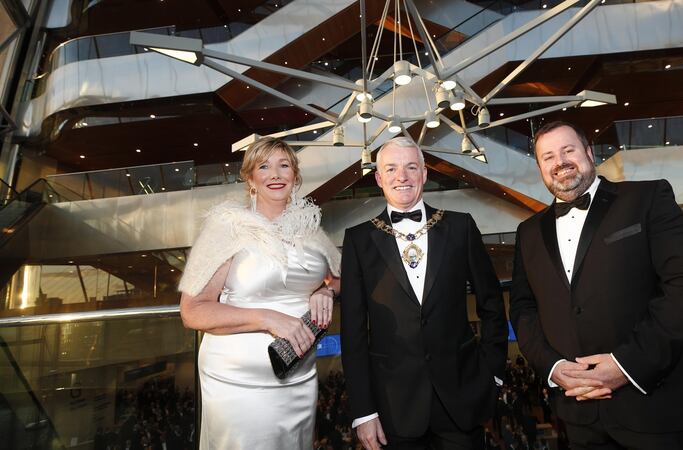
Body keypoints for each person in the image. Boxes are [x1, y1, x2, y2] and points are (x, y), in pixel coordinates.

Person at [509, 121, 683, 449]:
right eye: (548, 156)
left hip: (659, 410)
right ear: (540, 168)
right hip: (579, 417)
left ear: (589, 153)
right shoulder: (528, 232)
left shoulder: (647, 198)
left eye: (569, 150)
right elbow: (524, 309)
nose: (560, 161)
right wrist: (552, 366)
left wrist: (627, 365)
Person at [340, 136, 508, 449]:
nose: (401, 176)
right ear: (378, 178)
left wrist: (493, 373)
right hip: (394, 408)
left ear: (424, 174)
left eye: (410, 167)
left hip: (462, 398)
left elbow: (492, 302)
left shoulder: (461, 227)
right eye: (390, 169)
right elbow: (352, 333)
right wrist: (363, 412)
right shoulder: (358, 240)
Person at [178, 137, 341, 449]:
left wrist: (327, 292)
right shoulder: (227, 228)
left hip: (300, 375)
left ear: (295, 175)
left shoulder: (311, 230)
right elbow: (193, 311)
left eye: (284, 165)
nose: (275, 174)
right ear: (250, 179)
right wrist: (268, 318)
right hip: (238, 381)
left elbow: (340, 276)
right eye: (264, 166)